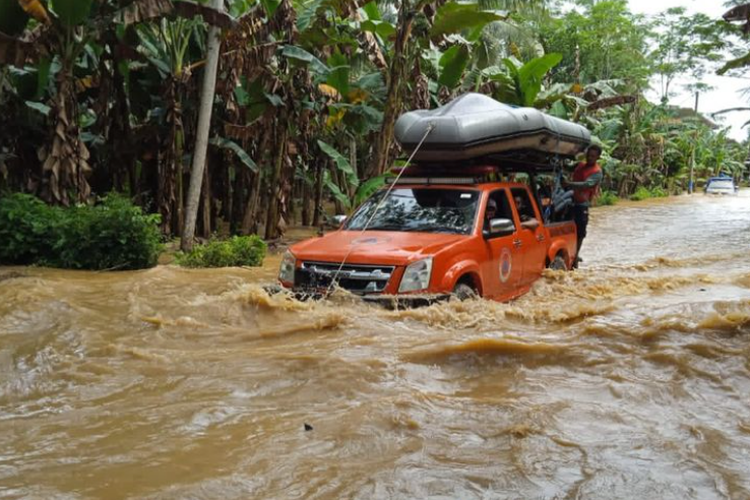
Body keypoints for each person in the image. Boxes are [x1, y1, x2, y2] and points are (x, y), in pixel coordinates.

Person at [565, 144, 603, 268]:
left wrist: (568, 184)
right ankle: (570, 254)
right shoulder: (580, 165)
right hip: (570, 201)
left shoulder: (597, 172)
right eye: (588, 155)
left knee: (580, 233)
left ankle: (575, 256)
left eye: (592, 156)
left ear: (598, 157)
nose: (589, 158)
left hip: (582, 205)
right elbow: (568, 168)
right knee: (567, 229)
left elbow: (586, 185)